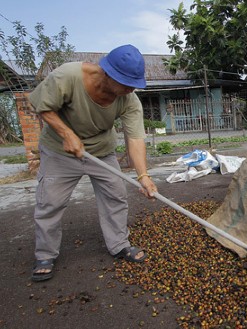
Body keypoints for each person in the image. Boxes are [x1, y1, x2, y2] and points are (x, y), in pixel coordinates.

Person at [28, 44, 158, 282]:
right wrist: (66, 133)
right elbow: (40, 105)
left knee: (115, 197)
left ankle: (119, 244)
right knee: (50, 202)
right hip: (60, 151)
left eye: (134, 84)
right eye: (126, 82)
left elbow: (135, 138)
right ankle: (45, 254)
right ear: (107, 73)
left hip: (101, 153)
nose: (130, 89)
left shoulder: (129, 98)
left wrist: (143, 176)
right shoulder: (67, 76)